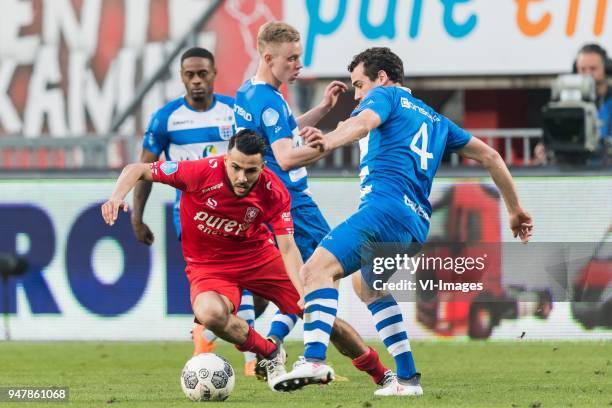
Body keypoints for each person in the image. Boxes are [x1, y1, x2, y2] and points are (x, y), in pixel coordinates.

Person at [273, 47, 534, 396]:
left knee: (315, 271)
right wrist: (515, 209)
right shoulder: (435, 119)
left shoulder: (385, 96)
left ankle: (314, 359)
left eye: (359, 85)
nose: (358, 95)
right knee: (367, 287)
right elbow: (490, 155)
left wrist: (326, 141)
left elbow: (361, 123)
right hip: (415, 225)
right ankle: (408, 380)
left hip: (384, 210)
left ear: (381, 78)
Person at [101, 130, 390, 391]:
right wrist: (116, 197)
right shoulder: (198, 172)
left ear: (263, 167)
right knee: (210, 315)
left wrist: (304, 294)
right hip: (208, 267)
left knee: (321, 317)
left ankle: (382, 375)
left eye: (250, 171)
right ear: (226, 159)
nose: (241, 177)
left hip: (258, 258)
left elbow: (288, 249)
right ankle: (270, 352)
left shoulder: (274, 191)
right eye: (235, 167)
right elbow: (136, 168)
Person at [234, 22, 394, 388]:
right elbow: (288, 158)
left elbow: (283, 135)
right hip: (294, 205)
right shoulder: (269, 100)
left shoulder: (249, 93)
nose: (298, 65)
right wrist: (325, 145)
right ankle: (291, 350)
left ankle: (287, 347)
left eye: (299, 57)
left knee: (307, 292)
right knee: (324, 285)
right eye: (291, 59)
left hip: (269, 204)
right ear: (268, 57)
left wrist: (322, 110)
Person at [130, 46, 271, 375]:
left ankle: (206, 330)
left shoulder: (234, 113)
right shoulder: (165, 119)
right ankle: (253, 362)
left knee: (259, 294)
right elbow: (144, 168)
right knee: (237, 281)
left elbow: (257, 158)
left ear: (214, 74)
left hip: (240, 211)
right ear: (181, 77)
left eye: (202, 74)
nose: (196, 81)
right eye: (189, 75)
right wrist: (137, 216)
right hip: (195, 218)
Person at [575, 43, 612, 145]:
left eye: (593, 68)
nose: (588, 74)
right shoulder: (570, 102)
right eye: (582, 69)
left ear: (606, 68)